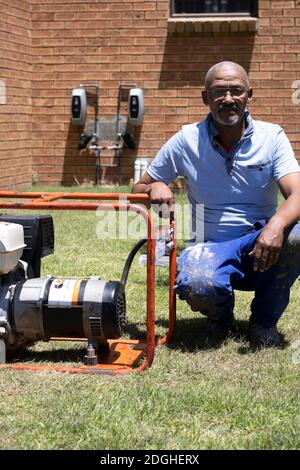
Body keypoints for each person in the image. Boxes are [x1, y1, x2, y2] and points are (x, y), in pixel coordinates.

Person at [132, 61, 300, 348]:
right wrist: (155, 186)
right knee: (197, 280)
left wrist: (277, 225)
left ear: (249, 94)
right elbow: (138, 188)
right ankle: (220, 317)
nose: (228, 99)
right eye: (219, 92)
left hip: (260, 245)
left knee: (296, 235)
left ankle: (263, 323)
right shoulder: (186, 140)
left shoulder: (272, 137)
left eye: (236, 91)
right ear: (205, 97)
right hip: (208, 246)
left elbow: (297, 192)